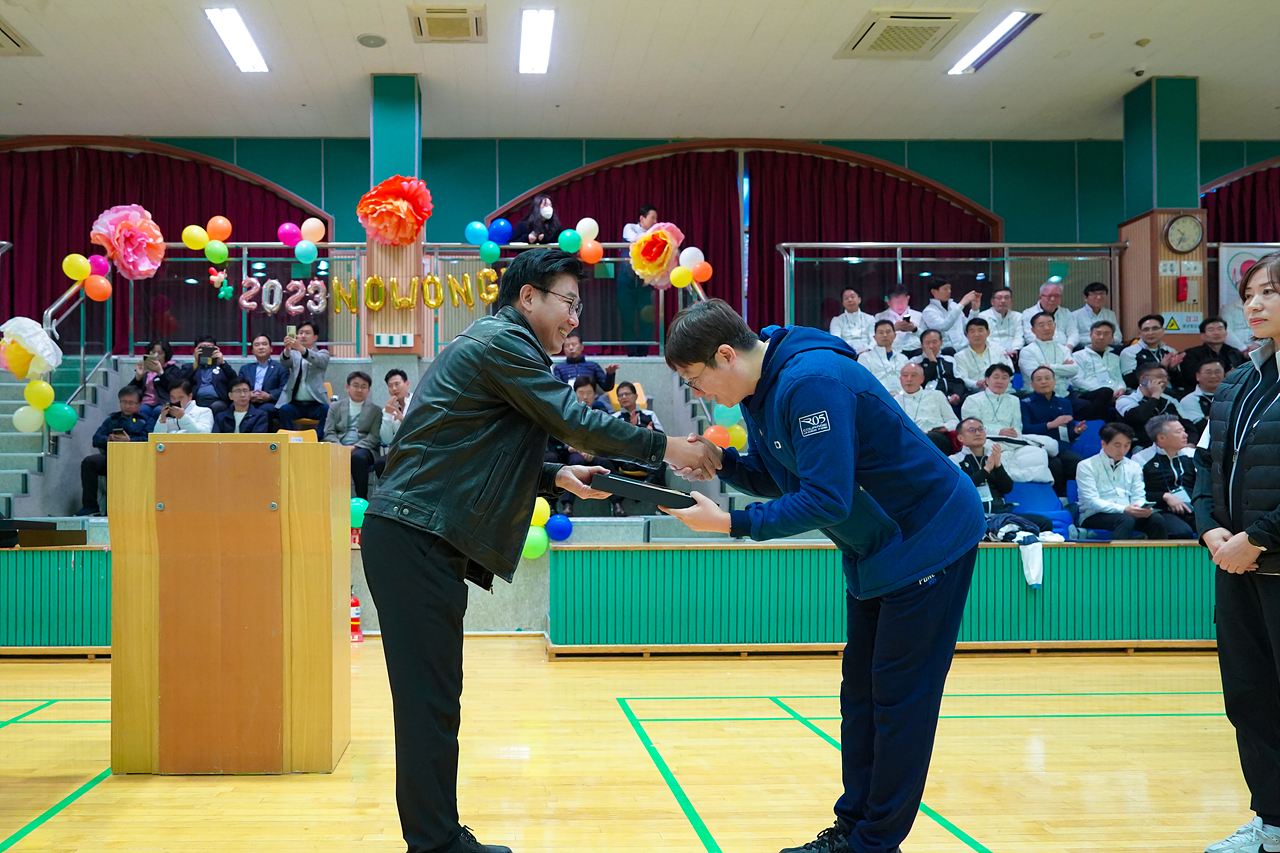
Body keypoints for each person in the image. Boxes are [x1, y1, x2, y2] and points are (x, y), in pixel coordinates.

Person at [361, 248, 720, 853]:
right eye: (570, 303)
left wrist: (554, 476)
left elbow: (474, 443)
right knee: (429, 702)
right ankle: (435, 843)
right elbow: (574, 421)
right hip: (414, 534)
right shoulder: (502, 344)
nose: (575, 319)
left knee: (435, 699)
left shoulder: (502, 347)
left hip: (419, 534)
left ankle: (438, 836)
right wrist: (666, 449)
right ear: (528, 299)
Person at [656, 297, 984, 853]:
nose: (698, 394)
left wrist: (732, 523)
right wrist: (723, 464)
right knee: (860, 699)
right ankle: (853, 829)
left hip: (928, 541)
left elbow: (826, 498)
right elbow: (784, 475)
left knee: (899, 702)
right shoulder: (762, 392)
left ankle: (874, 844)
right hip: (877, 549)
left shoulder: (811, 382)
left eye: (696, 379)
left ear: (725, 355)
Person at [1192, 251, 1280, 853]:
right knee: (1249, 697)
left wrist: (1262, 536)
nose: (1254, 304)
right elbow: (1205, 467)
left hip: (1271, 558)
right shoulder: (1240, 382)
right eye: (1250, 293)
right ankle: (1272, 820)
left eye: (1270, 292)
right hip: (1236, 565)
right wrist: (1211, 530)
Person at [950, 417, 1054, 531]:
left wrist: (998, 466)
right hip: (972, 517)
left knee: (1044, 523)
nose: (978, 433)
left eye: (981, 429)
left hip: (1000, 515)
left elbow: (1007, 488)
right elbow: (962, 489)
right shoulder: (954, 461)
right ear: (960, 437)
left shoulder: (994, 456)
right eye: (972, 430)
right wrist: (986, 470)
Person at [1076, 423, 1169, 540]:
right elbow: (1092, 501)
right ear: (1103, 443)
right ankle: (1120, 558)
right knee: (1125, 519)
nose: (1122, 450)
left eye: (1127, 445)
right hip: (1094, 515)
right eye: (1117, 445)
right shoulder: (1086, 466)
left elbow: (1138, 495)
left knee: (1156, 519)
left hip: (1128, 512)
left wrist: (1140, 508)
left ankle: (1158, 558)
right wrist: (1124, 509)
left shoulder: (1133, 466)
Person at [76, 387, 151, 516]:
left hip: (136, 460)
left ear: (139, 404)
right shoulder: (111, 420)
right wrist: (109, 439)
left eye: (131, 403)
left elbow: (149, 441)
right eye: (124, 402)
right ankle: (90, 506)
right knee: (89, 462)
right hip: (112, 458)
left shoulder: (146, 421)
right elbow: (96, 438)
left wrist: (130, 441)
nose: (127, 406)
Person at [1021, 366, 1086, 494]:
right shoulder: (1025, 403)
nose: (1044, 382)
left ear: (1054, 381)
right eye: (1039, 379)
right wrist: (1050, 425)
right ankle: (1060, 497)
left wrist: (1076, 431)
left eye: (1047, 378)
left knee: (1078, 463)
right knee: (1054, 465)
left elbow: (1068, 432)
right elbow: (1025, 430)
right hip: (1039, 447)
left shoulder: (1064, 403)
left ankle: (1078, 496)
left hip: (1062, 446)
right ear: (1032, 384)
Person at [324, 371, 381, 501]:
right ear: (347, 387)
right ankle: (332, 500)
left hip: (364, 449)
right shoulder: (335, 407)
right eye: (355, 385)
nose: (359, 389)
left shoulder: (375, 410)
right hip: (338, 446)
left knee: (358, 458)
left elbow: (373, 436)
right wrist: (341, 448)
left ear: (368, 390)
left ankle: (362, 499)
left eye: (364, 386)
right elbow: (329, 432)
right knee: (327, 456)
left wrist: (354, 447)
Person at [1140, 415, 1196, 539]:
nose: (1185, 435)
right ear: (1161, 437)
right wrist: (1164, 496)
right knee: (1182, 532)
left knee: (1215, 528)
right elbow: (1137, 493)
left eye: (1184, 430)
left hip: (1192, 508)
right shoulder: (1142, 459)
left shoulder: (1192, 455)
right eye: (1179, 432)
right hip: (1161, 511)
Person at [276, 321, 331, 439]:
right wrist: (287, 350)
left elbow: (318, 360)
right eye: (300, 333)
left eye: (307, 333)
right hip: (295, 404)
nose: (303, 336)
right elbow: (284, 362)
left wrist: (301, 349)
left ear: (315, 337)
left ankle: (319, 440)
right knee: (284, 410)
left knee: (328, 411)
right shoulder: (293, 354)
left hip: (316, 403)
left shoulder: (323, 353)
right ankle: (289, 440)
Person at [619, 204, 659, 356]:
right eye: (652, 218)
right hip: (626, 282)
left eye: (656, 218)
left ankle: (643, 353)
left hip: (645, 284)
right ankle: (631, 353)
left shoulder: (656, 234)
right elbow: (636, 239)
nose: (655, 221)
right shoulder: (630, 228)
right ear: (642, 218)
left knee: (646, 320)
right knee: (627, 319)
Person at [1117, 363, 1186, 447]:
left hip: (1174, 445)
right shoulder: (1125, 400)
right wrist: (1155, 395)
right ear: (1143, 379)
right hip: (1142, 446)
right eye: (1160, 376)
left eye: (1166, 377)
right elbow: (1139, 418)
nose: (1165, 381)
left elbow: (1186, 424)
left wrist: (1191, 443)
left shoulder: (1170, 400)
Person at [894, 362, 956, 453]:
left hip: (936, 438)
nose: (909, 379)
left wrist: (944, 428)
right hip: (908, 439)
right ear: (900, 379)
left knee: (931, 439)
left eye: (913, 375)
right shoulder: (894, 401)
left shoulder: (937, 395)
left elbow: (953, 421)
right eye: (905, 376)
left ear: (922, 379)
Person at [1070, 320, 1126, 420]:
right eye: (1098, 333)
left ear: (1112, 338)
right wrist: (1104, 391)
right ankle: (1099, 424)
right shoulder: (1077, 356)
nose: (1101, 337)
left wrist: (1121, 389)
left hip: (1111, 392)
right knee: (1105, 393)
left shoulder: (1115, 357)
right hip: (1087, 392)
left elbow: (1118, 378)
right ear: (1091, 335)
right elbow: (1076, 380)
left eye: (1106, 334)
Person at [1174, 316, 1246, 391]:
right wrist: (1225, 377)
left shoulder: (1235, 353)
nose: (1216, 333)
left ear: (1226, 333)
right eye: (1211, 329)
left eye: (1220, 329)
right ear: (1202, 336)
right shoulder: (1191, 354)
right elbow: (1190, 378)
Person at [1019, 312, 1079, 397]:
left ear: (1055, 326)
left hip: (1063, 395)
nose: (1047, 328)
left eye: (1050, 324)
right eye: (1041, 325)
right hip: (1037, 396)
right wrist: (1062, 370)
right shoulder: (1027, 351)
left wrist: (1049, 367)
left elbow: (1074, 370)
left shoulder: (1063, 349)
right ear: (1033, 330)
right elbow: (1037, 376)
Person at [127, 339, 188, 422]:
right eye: (152, 352)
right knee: (142, 410)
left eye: (160, 353)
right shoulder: (145, 370)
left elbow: (173, 387)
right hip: (145, 402)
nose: (156, 355)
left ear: (166, 355)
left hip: (163, 402)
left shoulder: (173, 369)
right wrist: (138, 377)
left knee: (158, 411)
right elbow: (130, 391)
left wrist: (160, 373)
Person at [552, 331, 617, 407]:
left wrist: (610, 374)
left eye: (574, 344)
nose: (571, 348)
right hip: (569, 404)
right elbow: (559, 391)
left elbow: (606, 387)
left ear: (582, 346)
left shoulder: (593, 366)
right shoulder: (559, 368)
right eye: (567, 345)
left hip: (592, 403)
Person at [1120, 313, 1185, 389]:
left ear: (1162, 331)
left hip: (1169, 392)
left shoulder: (1170, 351)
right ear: (1140, 334)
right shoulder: (1129, 352)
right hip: (1142, 393)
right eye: (1146, 329)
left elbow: (1179, 383)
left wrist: (1173, 369)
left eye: (1155, 328)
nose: (1151, 333)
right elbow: (1130, 382)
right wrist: (1161, 367)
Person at [952, 317, 1012, 394]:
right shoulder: (959, 356)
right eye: (972, 331)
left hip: (1003, 391)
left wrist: (995, 382)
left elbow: (1010, 370)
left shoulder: (999, 350)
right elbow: (963, 378)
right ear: (967, 335)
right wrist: (978, 384)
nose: (976, 334)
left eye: (980, 330)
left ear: (988, 332)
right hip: (976, 393)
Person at [961, 364, 1023, 437]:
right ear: (987, 380)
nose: (1000, 381)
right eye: (996, 377)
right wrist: (998, 432)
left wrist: (1014, 433)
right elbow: (971, 427)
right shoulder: (972, 399)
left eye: (1004, 378)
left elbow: (1018, 427)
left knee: (1034, 448)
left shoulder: (1014, 400)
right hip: (982, 439)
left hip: (1010, 440)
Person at [919, 279, 981, 351]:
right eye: (945, 289)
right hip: (945, 351)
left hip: (964, 347)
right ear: (934, 292)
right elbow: (943, 326)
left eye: (949, 288)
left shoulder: (954, 306)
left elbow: (967, 327)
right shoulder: (928, 311)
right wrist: (962, 304)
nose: (949, 291)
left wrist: (974, 310)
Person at [910, 329, 965, 405]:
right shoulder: (915, 362)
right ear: (922, 345)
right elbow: (919, 383)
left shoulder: (950, 360)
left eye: (934, 342)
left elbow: (958, 381)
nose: (931, 346)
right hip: (926, 400)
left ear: (941, 343)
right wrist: (932, 362)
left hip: (950, 398)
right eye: (927, 343)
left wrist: (957, 395)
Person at [237, 333, 288, 415]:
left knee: (264, 409)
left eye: (264, 344)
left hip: (269, 403)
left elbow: (285, 389)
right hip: (248, 401)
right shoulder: (245, 369)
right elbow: (239, 387)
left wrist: (269, 396)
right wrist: (248, 395)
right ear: (252, 350)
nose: (261, 347)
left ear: (271, 349)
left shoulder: (281, 368)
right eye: (257, 345)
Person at [1020, 281, 1080, 348]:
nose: (1052, 299)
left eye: (1057, 296)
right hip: (1040, 350)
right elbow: (1029, 336)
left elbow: (1073, 333)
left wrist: (1069, 346)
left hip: (1065, 349)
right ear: (1040, 297)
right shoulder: (1029, 313)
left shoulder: (1066, 312)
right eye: (1049, 296)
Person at [378, 369, 415, 475]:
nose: (394, 389)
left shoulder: (417, 402)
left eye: (397, 384)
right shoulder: (387, 409)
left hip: (416, 449)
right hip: (397, 452)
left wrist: (403, 420)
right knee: (380, 463)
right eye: (390, 386)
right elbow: (386, 440)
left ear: (407, 384)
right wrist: (387, 415)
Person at [857, 320, 909, 394]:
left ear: (894, 335)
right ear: (874, 337)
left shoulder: (903, 358)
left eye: (888, 332)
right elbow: (864, 383)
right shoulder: (865, 357)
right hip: (878, 399)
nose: (885, 335)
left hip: (902, 399)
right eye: (881, 332)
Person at [1178, 357, 1226, 437]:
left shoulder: (1234, 396)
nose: (1213, 376)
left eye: (1217, 372)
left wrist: (1210, 418)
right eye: (1208, 372)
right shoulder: (1189, 400)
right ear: (1198, 376)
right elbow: (1201, 427)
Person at [189, 334, 234, 415]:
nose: (206, 350)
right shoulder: (190, 367)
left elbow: (234, 380)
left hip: (217, 401)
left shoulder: (222, 367)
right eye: (202, 348)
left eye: (209, 347)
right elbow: (181, 382)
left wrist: (222, 363)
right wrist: (196, 362)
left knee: (218, 406)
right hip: (196, 401)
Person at [875, 286, 924, 354]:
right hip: (892, 350)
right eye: (896, 302)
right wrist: (893, 329)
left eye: (903, 301)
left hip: (916, 350)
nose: (900, 305)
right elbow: (876, 338)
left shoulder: (919, 315)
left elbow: (926, 336)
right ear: (889, 302)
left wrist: (914, 329)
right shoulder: (880, 317)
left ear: (908, 299)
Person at [978, 286, 1023, 357]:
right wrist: (1002, 351)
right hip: (991, 352)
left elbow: (1019, 336)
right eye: (999, 298)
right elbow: (986, 339)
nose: (1003, 301)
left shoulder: (1018, 316)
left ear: (1011, 300)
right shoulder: (983, 316)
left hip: (1013, 353)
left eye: (1006, 298)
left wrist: (1015, 350)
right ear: (992, 302)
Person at [828, 287, 876, 354]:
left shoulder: (869, 318)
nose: (850, 300)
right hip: (846, 353)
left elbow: (874, 338)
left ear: (859, 300)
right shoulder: (837, 320)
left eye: (852, 297)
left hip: (868, 353)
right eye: (846, 298)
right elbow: (836, 340)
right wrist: (847, 350)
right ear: (843, 303)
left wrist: (868, 350)